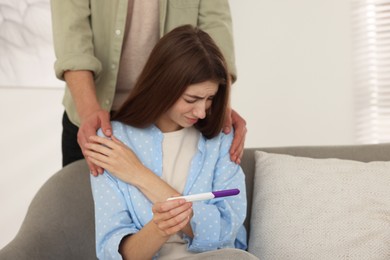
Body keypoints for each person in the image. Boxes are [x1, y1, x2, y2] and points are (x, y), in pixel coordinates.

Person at [86, 25, 257, 260]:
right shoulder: (113, 142)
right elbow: (111, 251)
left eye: (209, 99)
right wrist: (159, 229)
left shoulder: (220, 139)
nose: (202, 112)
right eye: (192, 99)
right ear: (163, 85)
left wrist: (139, 174)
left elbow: (226, 232)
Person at [51, 0, 247, 176]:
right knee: (82, 209)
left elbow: (216, 28)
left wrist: (221, 105)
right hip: (94, 112)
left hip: (168, 117)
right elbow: (72, 34)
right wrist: (88, 112)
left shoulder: (196, 114)